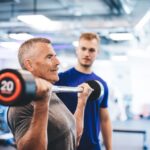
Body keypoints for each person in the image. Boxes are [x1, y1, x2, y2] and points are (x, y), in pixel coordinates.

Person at [7, 37, 93, 150]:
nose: (57, 62)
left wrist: (82, 101)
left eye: (55, 56)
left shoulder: (51, 93)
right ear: (29, 65)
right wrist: (41, 105)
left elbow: (74, 137)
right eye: (49, 57)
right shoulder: (22, 104)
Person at [55, 32, 112, 150]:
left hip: (92, 146)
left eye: (91, 50)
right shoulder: (60, 79)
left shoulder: (102, 85)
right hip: (66, 145)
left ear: (97, 53)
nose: (87, 53)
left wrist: (109, 148)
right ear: (77, 50)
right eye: (83, 49)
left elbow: (105, 119)